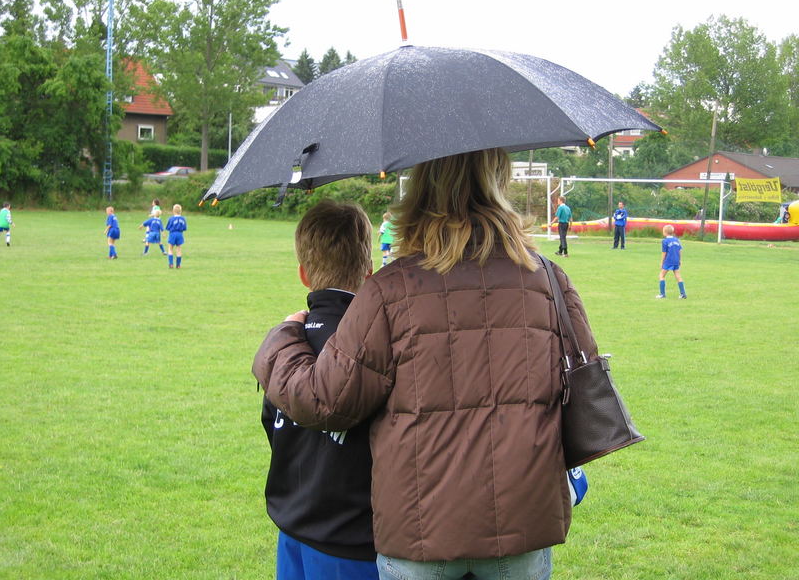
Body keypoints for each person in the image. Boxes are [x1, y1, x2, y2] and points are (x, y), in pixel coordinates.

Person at [253, 148, 600, 580]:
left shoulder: (388, 288)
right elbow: (580, 384)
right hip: (522, 518)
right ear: (499, 180)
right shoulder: (548, 279)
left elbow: (325, 401)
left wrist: (281, 340)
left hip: (421, 529)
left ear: (421, 189)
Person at [257, 199, 377, 580]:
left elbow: (271, 424)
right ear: (369, 272)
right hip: (351, 545)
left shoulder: (284, 346)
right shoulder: (376, 346)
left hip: (292, 531)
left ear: (303, 274)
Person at [657, 224, 687, 299]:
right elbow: (679, 250)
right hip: (676, 260)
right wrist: (679, 260)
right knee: (678, 276)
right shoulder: (676, 240)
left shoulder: (665, 241)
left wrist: (662, 262)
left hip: (668, 261)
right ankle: (683, 294)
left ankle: (662, 294)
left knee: (661, 275)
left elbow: (664, 253)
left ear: (665, 232)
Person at [165, 204, 187, 269]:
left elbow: (168, 227)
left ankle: (171, 263)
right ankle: (178, 265)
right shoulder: (183, 219)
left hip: (172, 234)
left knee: (170, 248)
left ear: (173, 211)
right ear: (181, 211)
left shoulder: (171, 219)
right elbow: (185, 228)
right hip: (180, 234)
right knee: (179, 249)